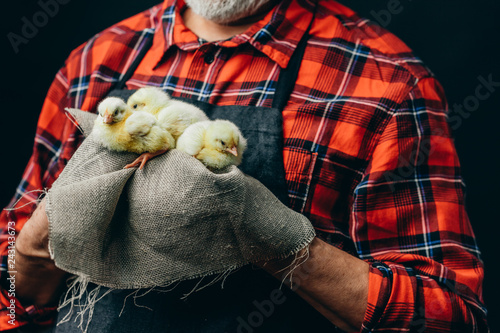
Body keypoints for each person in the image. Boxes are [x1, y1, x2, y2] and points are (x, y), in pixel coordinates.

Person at [0, 0, 488, 331]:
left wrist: (280, 244)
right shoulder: (95, 62)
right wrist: (37, 245)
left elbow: (451, 316)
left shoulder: (387, 84)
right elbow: (11, 288)